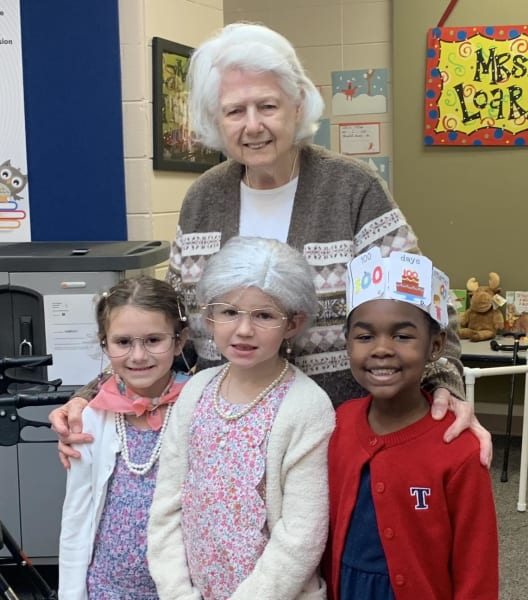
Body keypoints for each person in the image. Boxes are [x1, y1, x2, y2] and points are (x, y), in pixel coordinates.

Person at [49, 21, 492, 467]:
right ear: (214, 120)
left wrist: (443, 385)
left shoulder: (351, 188)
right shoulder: (202, 199)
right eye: (235, 111)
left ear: (297, 106)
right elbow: (170, 325)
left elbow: (423, 303)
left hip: (343, 433)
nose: (253, 125)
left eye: (267, 105)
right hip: (229, 439)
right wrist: (96, 397)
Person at [147, 236, 335, 599]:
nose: (243, 330)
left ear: (293, 324)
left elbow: (302, 535)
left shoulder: (306, 407)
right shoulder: (196, 392)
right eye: (229, 312)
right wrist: (178, 593)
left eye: (264, 315)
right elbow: (167, 506)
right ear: (209, 316)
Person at [324, 248, 498, 599]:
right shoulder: (337, 425)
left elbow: (476, 567)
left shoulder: (459, 449)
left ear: (435, 346)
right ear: (347, 345)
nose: (382, 349)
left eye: (403, 336)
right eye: (365, 336)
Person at [58, 276, 190, 599]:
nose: (138, 356)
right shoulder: (93, 416)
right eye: (123, 342)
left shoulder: (196, 409)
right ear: (105, 344)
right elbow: (77, 516)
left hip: (176, 589)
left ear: (180, 340)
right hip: (105, 588)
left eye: (153, 340)